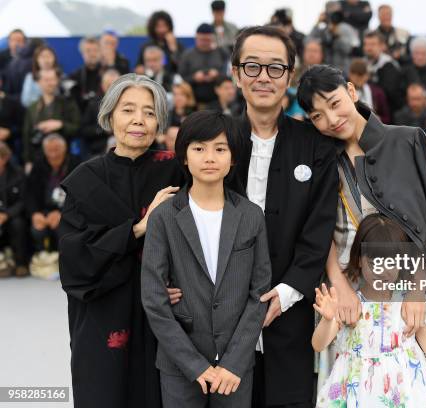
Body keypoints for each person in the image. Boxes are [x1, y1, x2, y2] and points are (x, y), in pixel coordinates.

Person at [297, 64, 426, 406]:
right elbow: (318, 226)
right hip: (346, 285)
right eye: (317, 115)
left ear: (352, 91)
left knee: (408, 382)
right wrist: (339, 284)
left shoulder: (405, 139)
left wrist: (417, 290)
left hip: (402, 283)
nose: (330, 118)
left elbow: (425, 222)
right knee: (349, 381)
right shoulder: (320, 155)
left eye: (334, 102)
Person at [58, 74, 185, 408]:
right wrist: (139, 229)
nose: (138, 120)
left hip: (165, 315)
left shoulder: (178, 171)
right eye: (128, 109)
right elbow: (74, 263)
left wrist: (181, 282)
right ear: (110, 115)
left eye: (149, 111)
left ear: (160, 120)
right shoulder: (85, 180)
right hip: (104, 312)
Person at [229, 26, 338, 407]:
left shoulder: (316, 146)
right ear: (235, 73)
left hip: (290, 313)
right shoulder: (213, 142)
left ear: (290, 77)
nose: (263, 77)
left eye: (275, 68)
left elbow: (319, 229)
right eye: (252, 66)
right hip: (220, 317)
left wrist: (287, 292)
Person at [141, 110, 271, 407]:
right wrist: (193, 364)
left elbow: (259, 293)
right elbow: (153, 299)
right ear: (184, 157)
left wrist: (235, 361)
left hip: (235, 365)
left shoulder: (251, 216)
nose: (209, 157)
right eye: (199, 148)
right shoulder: (163, 217)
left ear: (233, 158)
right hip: (180, 365)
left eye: (220, 149)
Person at [312, 214, 426, 407]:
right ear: (359, 260)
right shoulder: (350, 305)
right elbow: (318, 344)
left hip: (405, 396)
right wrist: (328, 319)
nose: (382, 271)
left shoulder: (408, 304)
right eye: (374, 262)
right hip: (359, 396)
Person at [26, 134, 78, 257]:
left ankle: (65, 260)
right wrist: (35, 213)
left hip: (68, 211)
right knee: (36, 230)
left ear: (65, 149)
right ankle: (43, 258)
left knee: (63, 229)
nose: (53, 154)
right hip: (43, 210)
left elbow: (81, 195)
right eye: (50, 151)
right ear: (44, 151)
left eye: (57, 150)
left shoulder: (76, 163)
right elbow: (30, 192)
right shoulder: (38, 164)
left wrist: (63, 213)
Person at [22, 68, 80, 167]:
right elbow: (26, 136)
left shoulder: (68, 103)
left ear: (57, 81)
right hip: (39, 159)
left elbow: (78, 127)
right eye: (46, 80)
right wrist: (28, 161)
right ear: (38, 82)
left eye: (53, 79)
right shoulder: (32, 108)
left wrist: (60, 125)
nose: (50, 83)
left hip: (65, 158)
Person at [179, 23, 229, 105]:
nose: (204, 43)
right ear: (196, 38)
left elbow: (229, 74)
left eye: (207, 40)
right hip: (194, 101)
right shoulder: (187, 55)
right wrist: (194, 78)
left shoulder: (221, 53)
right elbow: (181, 77)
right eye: (202, 40)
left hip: (218, 101)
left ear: (213, 39)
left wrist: (217, 75)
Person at [0, 141, 27, 277]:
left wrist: (6, 215)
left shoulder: (18, 173)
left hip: (11, 214)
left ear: (5, 158)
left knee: (18, 224)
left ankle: (21, 263)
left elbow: (23, 200)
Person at [80, 69, 121, 158]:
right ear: (102, 86)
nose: (111, 88)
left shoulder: (130, 103)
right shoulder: (93, 104)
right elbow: (84, 130)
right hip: (100, 150)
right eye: (108, 85)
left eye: (114, 85)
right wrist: (103, 130)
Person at [363, 30, 404, 112]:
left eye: (373, 44)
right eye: (366, 44)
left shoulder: (389, 66)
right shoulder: (363, 64)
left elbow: (388, 94)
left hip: (387, 114)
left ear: (382, 46)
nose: (369, 48)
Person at [347, 58, 390, 124]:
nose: (358, 78)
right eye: (355, 74)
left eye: (361, 75)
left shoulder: (378, 93)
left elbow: (387, 118)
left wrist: (377, 120)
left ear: (367, 75)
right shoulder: (344, 93)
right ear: (350, 74)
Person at [69, 37, 104, 112]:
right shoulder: (74, 77)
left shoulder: (108, 75)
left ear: (100, 52)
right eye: (88, 51)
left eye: (95, 50)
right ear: (82, 53)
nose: (92, 54)